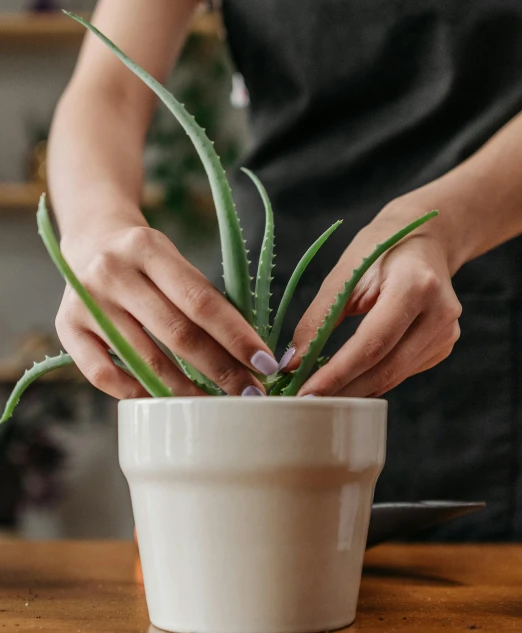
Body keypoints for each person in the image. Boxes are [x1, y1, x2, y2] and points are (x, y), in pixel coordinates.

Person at [48, 0, 522, 539]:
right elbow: (107, 89)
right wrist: (95, 227)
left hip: (490, 274)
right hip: (273, 295)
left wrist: (447, 224)